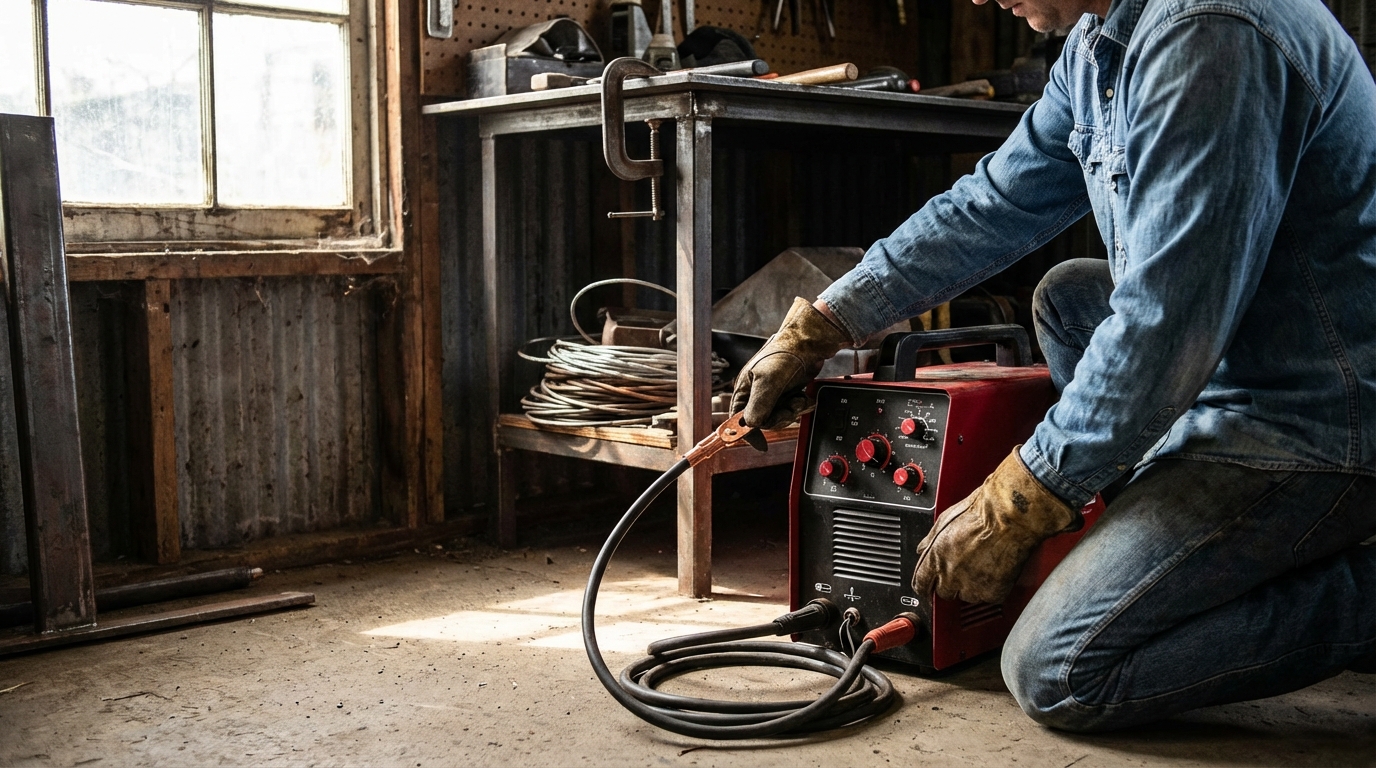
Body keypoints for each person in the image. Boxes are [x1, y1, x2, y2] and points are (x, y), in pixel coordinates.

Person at [731, 0, 1376, 732]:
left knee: (1059, 670)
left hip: (1317, 417)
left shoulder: (1209, 34)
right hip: (1240, 358)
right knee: (1071, 297)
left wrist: (1021, 497)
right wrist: (827, 321)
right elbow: (993, 203)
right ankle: (1175, 548)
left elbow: (1165, 321)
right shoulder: (1100, 42)